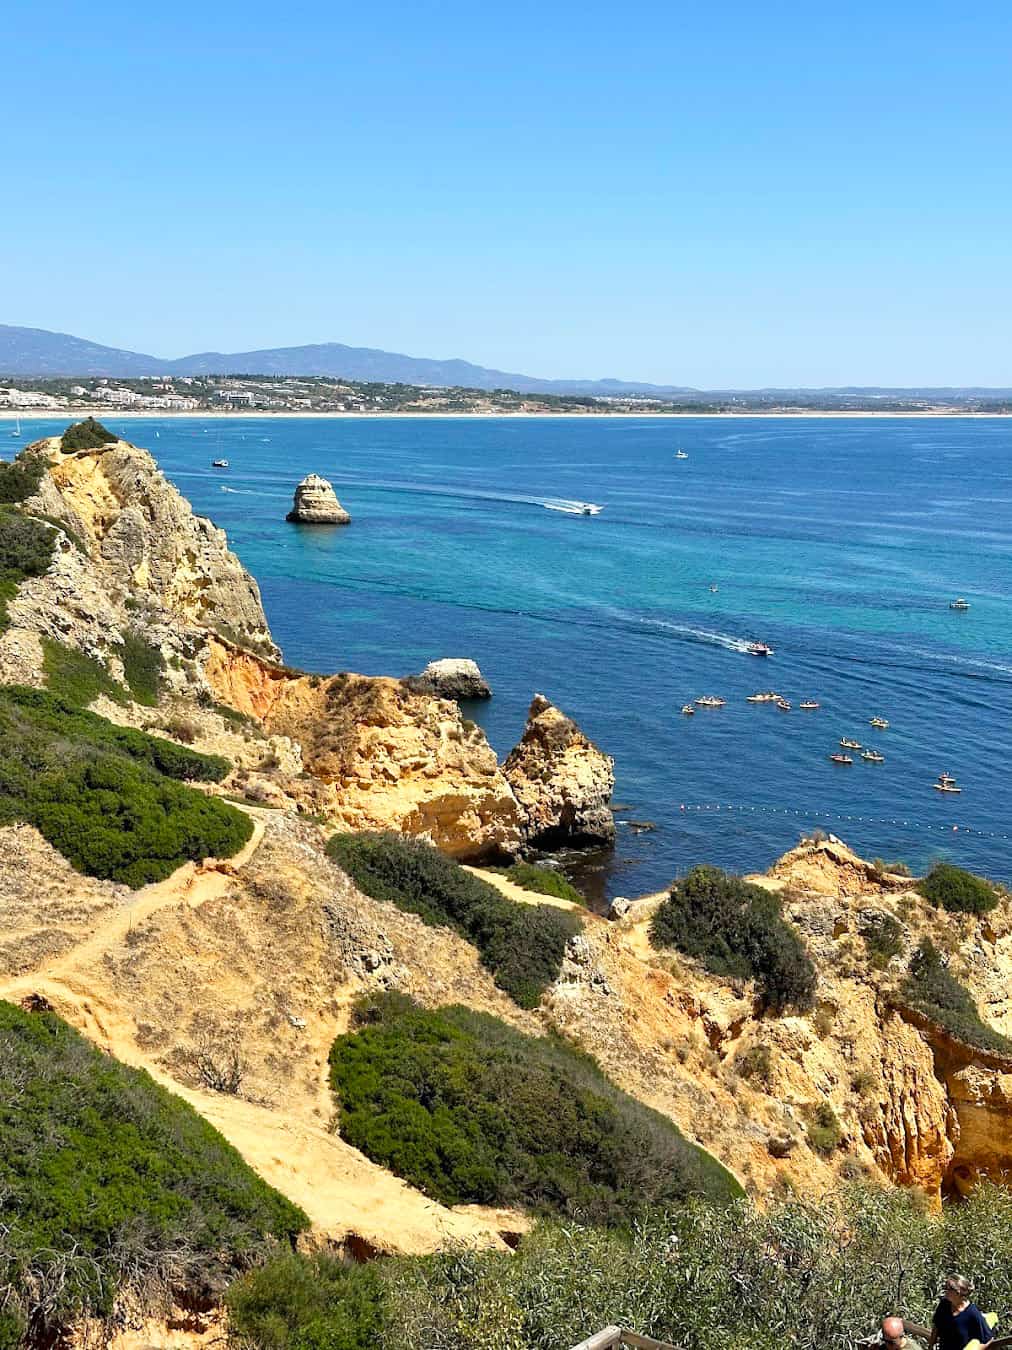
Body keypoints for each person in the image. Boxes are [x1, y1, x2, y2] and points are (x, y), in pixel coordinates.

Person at [929, 1276, 994, 1350]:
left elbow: (988, 1339)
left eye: (949, 1288)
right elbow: (936, 1326)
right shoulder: (944, 1304)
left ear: (959, 1292)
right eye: (945, 1287)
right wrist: (931, 1345)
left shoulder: (972, 1313)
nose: (945, 1290)